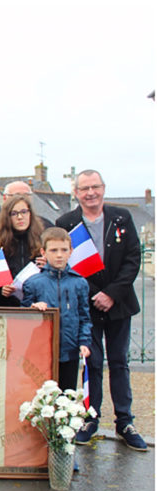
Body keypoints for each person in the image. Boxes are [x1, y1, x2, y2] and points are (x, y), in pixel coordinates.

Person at [56, 170, 146, 451]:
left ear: (104, 189)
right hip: (87, 306)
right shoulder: (66, 222)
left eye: (95, 187)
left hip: (119, 304)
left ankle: (125, 421)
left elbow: (133, 258)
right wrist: (96, 294)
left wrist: (112, 294)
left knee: (119, 362)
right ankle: (90, 419)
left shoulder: (121, 217)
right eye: (85, 188)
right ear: (76, 192)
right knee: (92, 363)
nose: (90, 193)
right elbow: (67, 264)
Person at [22, 227, 92, 391]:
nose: (59, 255)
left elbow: (84, 317)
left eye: (63, 250)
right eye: (53, 250)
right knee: (42, 394)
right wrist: (33, 308)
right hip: (41, 350)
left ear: (71, 251)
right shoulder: (33, 283)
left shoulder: (79, 283)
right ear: (43, 252)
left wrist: (84, 342)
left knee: (68, 394)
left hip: (70, 349)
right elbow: (22, 317)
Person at [0, 195, 45, 307]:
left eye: (24, 212)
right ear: (7, 218)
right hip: (9, 309)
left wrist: (48, 267)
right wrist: (1, 289)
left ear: (30, 214)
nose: (20, 217)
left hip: (37, 308)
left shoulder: (42, 244)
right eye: (14, 213)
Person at [0, 180, 54, 254]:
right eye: (16, 195)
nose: (21, 199)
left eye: (26, 195)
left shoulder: (46, 227)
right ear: (5, 198)